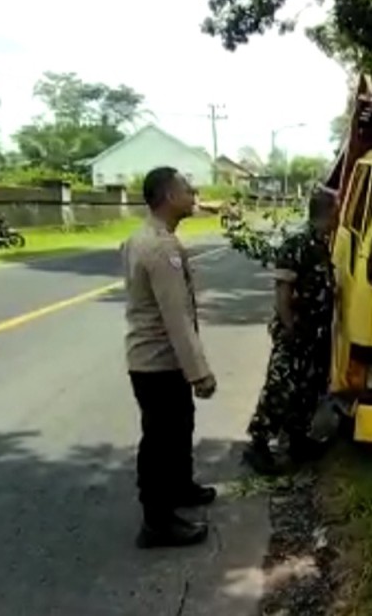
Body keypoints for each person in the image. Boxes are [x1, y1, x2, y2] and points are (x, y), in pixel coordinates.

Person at [122, 166, 218, 548]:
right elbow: (176, 317)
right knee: (161, 440)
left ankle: (181, 488)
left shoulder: (141, 237)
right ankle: (157, 522)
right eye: (185, 188)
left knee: (179, 426)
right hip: (159, 360)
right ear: (166, 196)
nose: (194, 193)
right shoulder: (161, 248)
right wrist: (200, 373)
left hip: (155, 359)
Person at [243, 187, 338, 475]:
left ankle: (299, 440)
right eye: (338, 210)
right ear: (330, 212)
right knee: (281, 388)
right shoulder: (297, 243)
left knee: (307, 388)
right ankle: (258, 446)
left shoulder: (321, 244)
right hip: (296, 333)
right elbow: (283, 292)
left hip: (315, 333)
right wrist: (289, 327)